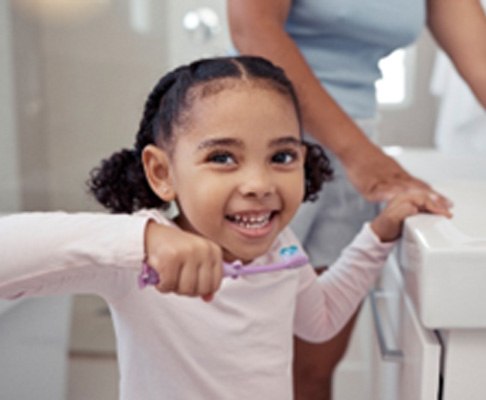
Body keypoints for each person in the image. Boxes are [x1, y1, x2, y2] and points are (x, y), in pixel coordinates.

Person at [0, 56, 451, 400]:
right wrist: (141, 240)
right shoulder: (138, 258)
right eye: (221, 158)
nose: (258, 184)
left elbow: (320, 320)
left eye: (281, 157)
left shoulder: (281, 248)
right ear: (162, 173)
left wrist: (380, 234)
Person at [227, 1, 486, 398]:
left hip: (352, 145)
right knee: (238, 361)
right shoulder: (357, 159)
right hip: (262, 144)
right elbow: (252, 29)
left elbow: (482, 63)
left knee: (314, 366)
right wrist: (360, 157)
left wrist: (357, 155)